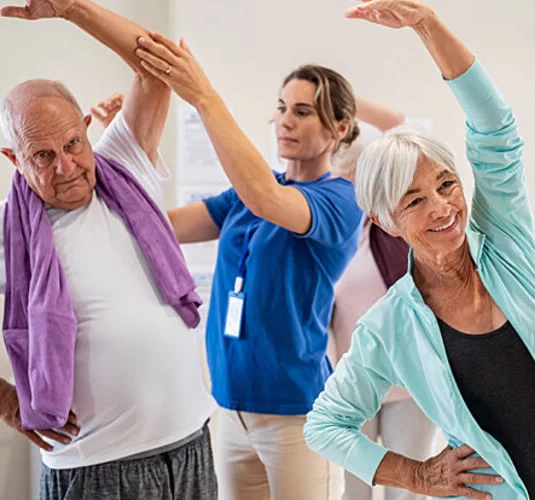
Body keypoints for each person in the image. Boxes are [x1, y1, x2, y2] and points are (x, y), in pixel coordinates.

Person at [303, 1, 535, 499]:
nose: (443, 207)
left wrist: (427, 26)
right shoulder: (391, 325)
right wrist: (417, 476)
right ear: (385, 221)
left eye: (446, 184)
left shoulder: (506, 246)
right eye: (415, 199)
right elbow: (326, 425)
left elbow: (496, 129)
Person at [0, 1, 217, 499]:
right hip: (97, 471)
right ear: (14, 159)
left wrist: (74, 9)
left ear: (88, 134)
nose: (66, 166)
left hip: (191, 446)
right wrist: (4, 401)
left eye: (73, 144)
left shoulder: (124, 166)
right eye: (43, 156)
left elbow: (153, 68)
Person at [134, 22, 364, 500]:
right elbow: (160, 226)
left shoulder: (340, 200)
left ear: (339, 128)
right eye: (281, 108)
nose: (285, 121)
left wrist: (204, 98)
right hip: (231, 408)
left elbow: (265, 197)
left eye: (303, 112)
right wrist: (128, 153)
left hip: (297, 416)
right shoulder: (245, 197)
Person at [326, 102, 439, 500]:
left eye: (349, 175)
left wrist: (344, 102)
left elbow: (412, 125)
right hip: (355, 385)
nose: (342, 183)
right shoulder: (336, 233)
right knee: (353, 491)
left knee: (404, 493)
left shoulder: (397, 225)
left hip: (411, 385)